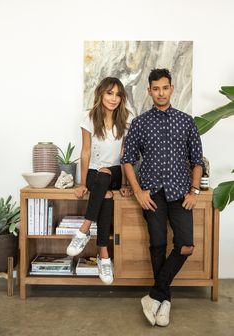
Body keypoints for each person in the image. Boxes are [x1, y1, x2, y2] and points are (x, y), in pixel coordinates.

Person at [121, 68, 203, 327]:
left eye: (164, 88)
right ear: (149, 91)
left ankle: (155, 295)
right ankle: (164, 302)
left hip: (181, 193)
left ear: (172, 88)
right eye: (155, 88)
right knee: (157, 244)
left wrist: (194, 191)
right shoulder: (140, 123)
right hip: (152, 193)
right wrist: (138, 191)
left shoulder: (186, 121)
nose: (160, 93)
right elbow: (127, 159)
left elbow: (197, 160)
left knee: (186, 244)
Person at [66, 77, 132, 285]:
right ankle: (104, 256)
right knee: (105, 194)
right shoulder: (88, 117)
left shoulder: (128, 118)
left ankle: (84, 230)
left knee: (105, 174)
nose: (114, 99)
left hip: (116, 172)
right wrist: (83, 183)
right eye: (109, 93)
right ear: (101, 94)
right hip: (96, 175)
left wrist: (124, 184)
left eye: (118, 95)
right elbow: (85, 152)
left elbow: (125, 154)